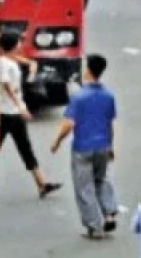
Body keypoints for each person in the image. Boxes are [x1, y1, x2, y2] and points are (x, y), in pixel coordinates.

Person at [50, 53, 118, 239]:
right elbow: (109, 123)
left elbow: (68, 124)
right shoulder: (109, 96)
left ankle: (94, 226)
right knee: (101, 179)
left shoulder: (79, 97)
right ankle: (109, 213)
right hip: (103, 145)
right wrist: (111, 146)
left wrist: (56, 141)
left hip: (82, 147)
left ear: (88, 71)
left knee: (84, 186)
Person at [0, 33, 61, 199]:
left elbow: (15, 59)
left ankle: (42, 184)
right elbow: (6, 85)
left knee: (25, 148)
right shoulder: (3, 64)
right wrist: (19, 105)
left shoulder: (9, 60)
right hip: (5, 113)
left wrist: (30, 63)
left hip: (15, 113)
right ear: (13, 45)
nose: (20, 45)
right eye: (18, 42)